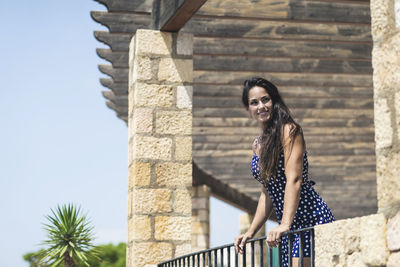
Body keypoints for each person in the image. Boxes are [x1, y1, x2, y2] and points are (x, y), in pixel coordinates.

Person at [233, 77, 335, 267]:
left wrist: (285, 224)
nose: (261, 106)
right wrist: (251, 232)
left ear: (274, 101)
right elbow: (267, 192)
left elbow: (294, 179)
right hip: (286, 227)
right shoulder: (258, 144)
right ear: (248, 110)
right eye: (254, 103)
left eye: (265, 99)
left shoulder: (289, 131)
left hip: (309, 218)